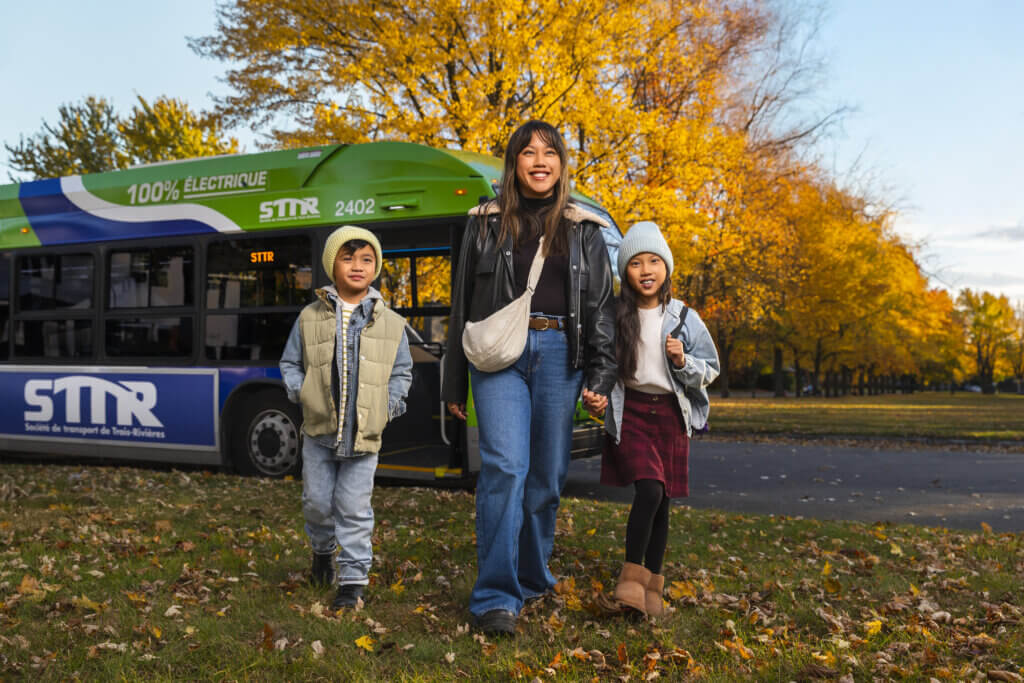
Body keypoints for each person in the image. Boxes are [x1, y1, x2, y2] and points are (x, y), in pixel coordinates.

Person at [443, 120, 617, 636]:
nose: (539, 160)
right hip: (497, 358)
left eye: (550, 152)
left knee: (546, 477)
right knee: (506, 468)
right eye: (527, 152)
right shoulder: (483, 222)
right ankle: (495, 597)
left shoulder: (585, 229)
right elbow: (461, 307)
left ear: (562, 164)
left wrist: (601, 375)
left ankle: (532, 576)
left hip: (562, 354)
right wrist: (454, 383)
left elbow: (603, 309)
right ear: (514, 163)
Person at [280, 225, 413, 610]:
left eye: (366, 259)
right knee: (318, 503)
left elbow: (402, 372)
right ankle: (322, 553)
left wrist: (387, 407)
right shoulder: (309, 317)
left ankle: (352, 583)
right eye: (348, 257)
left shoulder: (391, 323)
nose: (358, 266)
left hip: (364, 436)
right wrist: (300, 392)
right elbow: (291, 362)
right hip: (319, 432)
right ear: (331, 265)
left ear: (376, 268)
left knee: (353, 508)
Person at [600, 221, 719, 618]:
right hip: (631, 410)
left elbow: (711, 368)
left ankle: (651, 591)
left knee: (663, 503)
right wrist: (595, 397)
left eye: (654, 261)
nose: (646, 270)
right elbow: (600, 364)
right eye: (636, 263)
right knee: (649, 490)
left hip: (670, 415)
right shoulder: (616, 316)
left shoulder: (684, 317)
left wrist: (683, 361)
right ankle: (630, 581)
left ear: (666, 267)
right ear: (625, 272)